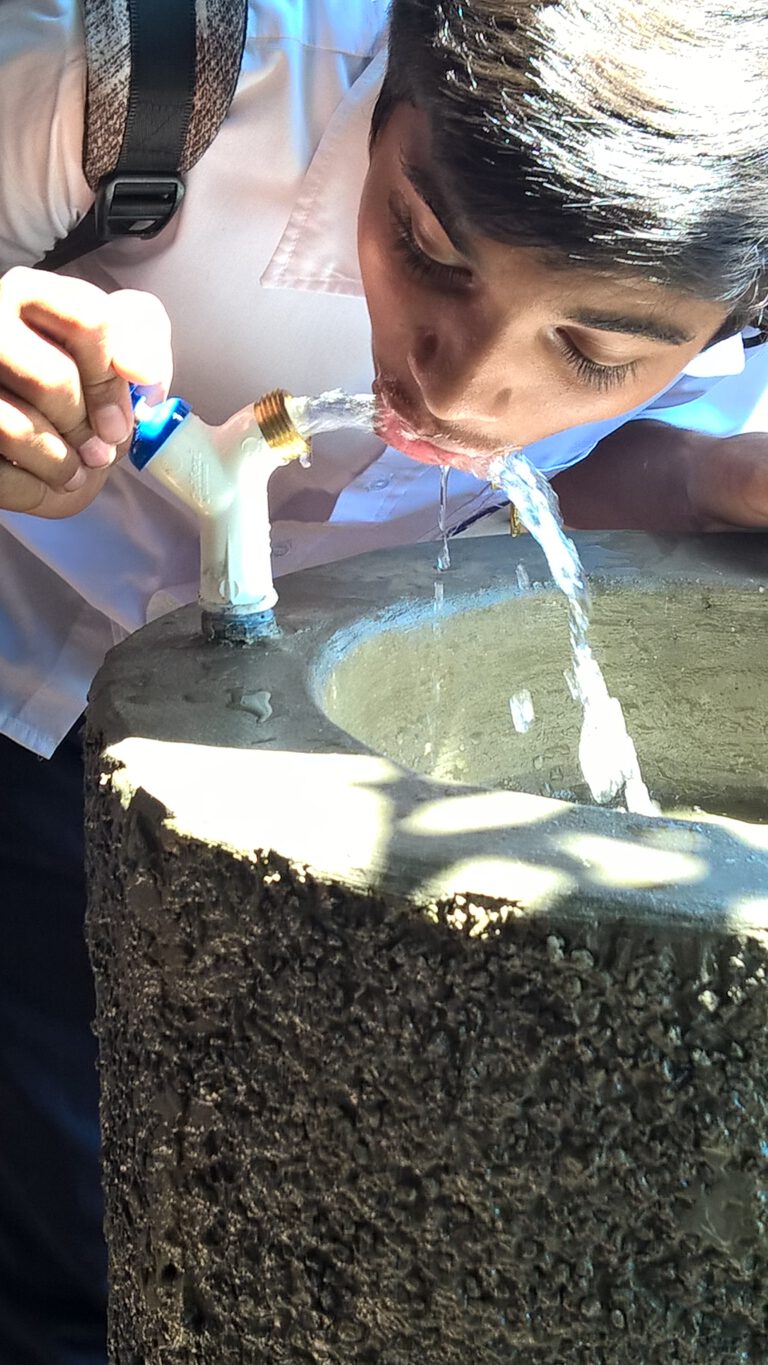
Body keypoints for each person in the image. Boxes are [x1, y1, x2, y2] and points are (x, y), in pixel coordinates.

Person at [1, 0, 767, 1359]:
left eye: (594, 355)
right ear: (387, 103)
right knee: (71, 1213)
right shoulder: (149, 64)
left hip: (312, 736)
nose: (467, 383)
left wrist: (709, 477)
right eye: (424, 250)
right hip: (28, 677)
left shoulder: (732, 266)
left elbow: (562, 488)